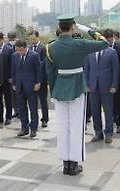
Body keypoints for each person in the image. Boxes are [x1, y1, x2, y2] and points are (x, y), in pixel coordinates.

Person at [46, 15, 108, 176]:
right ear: (73, 27)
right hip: (77, 88)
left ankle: (65, 163)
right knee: (76, 127)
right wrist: (87, 29)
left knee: (62, 127)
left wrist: (53, 91)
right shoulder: (80, 43)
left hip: (59, 89)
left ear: (60, 27)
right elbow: (104, 43)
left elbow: (50, 72)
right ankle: (74, 164)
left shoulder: (50, 47)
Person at [84, 45, 119, 143]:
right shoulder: (89, 52)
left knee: (108, 111)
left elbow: (116, 70)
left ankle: (109, 133)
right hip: (93, 86)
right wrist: (86, 84)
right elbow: (86, 69)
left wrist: (114, 85)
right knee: (95, 111)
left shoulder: (111, 52)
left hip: (107, 87)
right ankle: (98, 133)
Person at [11, 40, 41, 138]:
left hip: (31, 86)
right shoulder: (14, 56)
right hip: (19, 86)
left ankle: (33, 129)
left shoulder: (34, 55)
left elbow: (38, 70)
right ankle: (24, 128)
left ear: (25, 47)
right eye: (17, 50)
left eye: (21, 50)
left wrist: (38, 82)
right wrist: (14, 82)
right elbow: (14, 70)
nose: (19, 52)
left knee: (33, 108)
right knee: (22, 109)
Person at [104, 29, 120, 134]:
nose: (108, 41)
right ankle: (113, 119)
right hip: (107, 80)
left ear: (113, 37)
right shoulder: (102, 46)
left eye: (109, 39)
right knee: (110, 103)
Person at [28, 30, 50, 128]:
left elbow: (45, 62)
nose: (32, 40)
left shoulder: (43, 48)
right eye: (30, 39)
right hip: (31, 79)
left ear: (38, 37)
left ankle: (45, 119)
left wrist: (35, 63)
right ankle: (34, 120)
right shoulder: (29, 48)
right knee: (33, 101)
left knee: (43, 100)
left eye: (33, 38)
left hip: (42, 78)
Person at [0, 32, 14, 125]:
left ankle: (8, 117)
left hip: (7, 79)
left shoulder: (9, 49)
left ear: (3, 39)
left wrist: (11, 76)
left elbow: (12, 64)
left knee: (8, 99)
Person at [7, 31, 19, 118]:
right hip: (10, 73)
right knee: (12, 95)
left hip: (19, 73)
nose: (12, 40)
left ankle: (20, 110)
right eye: (10, 39)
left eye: (13, 39)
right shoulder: (7, 46)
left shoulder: (19, 44)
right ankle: (15, 110)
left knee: (19, 93)